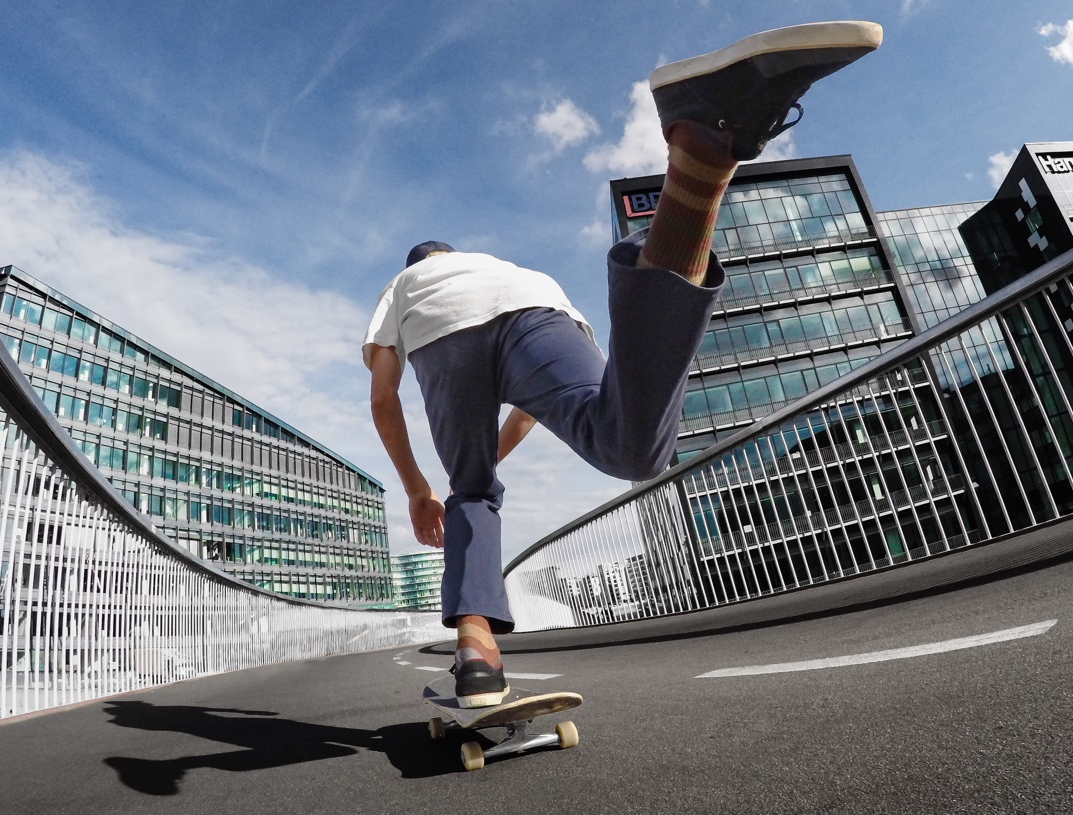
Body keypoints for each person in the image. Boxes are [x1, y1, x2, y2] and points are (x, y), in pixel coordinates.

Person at [363, 20, 883, 707]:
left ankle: (477, 653)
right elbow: (528, 411)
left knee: (472, 495)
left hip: (442, 334)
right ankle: (701, 150)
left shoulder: (405, 284)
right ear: (454, 254)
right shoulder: (496, 266)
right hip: (540, 307)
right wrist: (488, 453)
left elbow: (384, 396)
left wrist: (422, 488)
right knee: (631, 447)